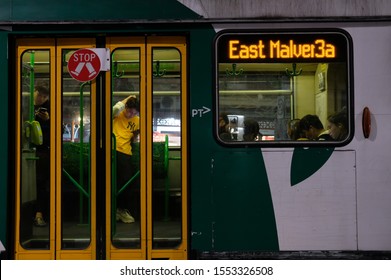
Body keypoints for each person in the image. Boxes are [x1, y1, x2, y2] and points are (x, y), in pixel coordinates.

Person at [112, 96, 140, 223]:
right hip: (113, 149)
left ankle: (121, 209)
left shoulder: (137, 121)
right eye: (129, 111)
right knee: (116, 181)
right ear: (126, 108)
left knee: (127, 182)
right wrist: (130, 97)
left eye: (134, 113)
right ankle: (117, 210)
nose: (130, 114)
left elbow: (135, 137)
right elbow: (116, 108)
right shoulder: (117, 114)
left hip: (126, 152)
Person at [33, 83, 50, 227]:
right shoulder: (24, 102)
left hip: (42, 150)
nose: (41, 99)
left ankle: (39, 214)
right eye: (39, 95)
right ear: (34, 92)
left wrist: (48, 121)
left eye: (44, 97)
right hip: (26, 149)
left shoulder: (50, 109)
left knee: (41, 183)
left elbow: (58, 130)